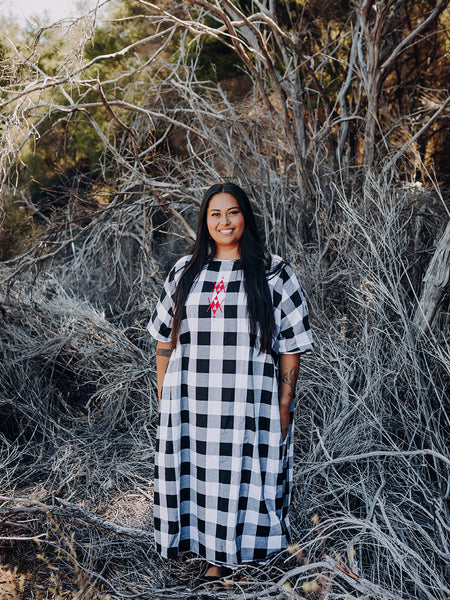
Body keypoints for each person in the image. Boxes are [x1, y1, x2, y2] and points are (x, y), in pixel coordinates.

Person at [147, 183, 313, 580]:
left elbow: (292, 346)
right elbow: (164, 340)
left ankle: (243, 556)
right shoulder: (186, 270)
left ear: (246, 217)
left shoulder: (273, 272)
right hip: (193, 402)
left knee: (247, 471)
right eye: (215, 214)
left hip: (249, 402)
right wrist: (163, 395)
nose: (225, 221)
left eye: (233, 212)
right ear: (205, 221)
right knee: (201, 474)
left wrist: (284, 404)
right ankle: (213, 557)